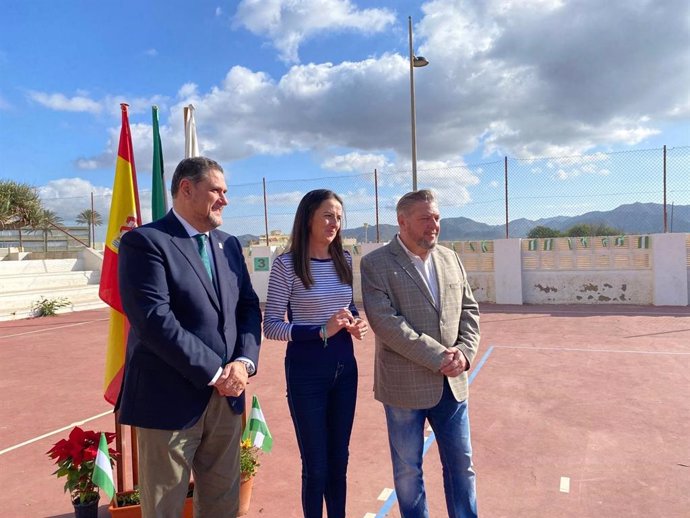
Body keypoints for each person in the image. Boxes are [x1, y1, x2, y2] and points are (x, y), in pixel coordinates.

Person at [116, 156, 262, 518]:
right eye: (217, 190)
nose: (225, 200)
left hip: (227, 399)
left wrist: (243, 364)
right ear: (186, 189)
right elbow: (154, 321)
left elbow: (247, 307)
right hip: (169, 402)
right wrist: (216, 373)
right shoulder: (145, 243)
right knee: (163, 508)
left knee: (222, 505)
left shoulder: (228, 245)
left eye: (226, 191)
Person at [360, 189, 480, 518]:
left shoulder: (450, 258)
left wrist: (465, 353)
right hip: (404, 389)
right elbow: (387, 324)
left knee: (462, 467)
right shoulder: (375, 264)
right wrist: (441, 356)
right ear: (402, 221)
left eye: (437, 217)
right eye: (426, 218)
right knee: (408, 472)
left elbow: (469, 310)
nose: (434, 225)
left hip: (453, 385)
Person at [263, 189, 368, 518]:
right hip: (306, 374)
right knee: (317, 466)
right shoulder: (286, 265)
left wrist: (355, 322)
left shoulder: (345, 259)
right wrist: (320, 331)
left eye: (338, 216)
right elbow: (271, 326)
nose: (334, 222)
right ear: (308, 217)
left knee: (340, 461)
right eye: (327, 215)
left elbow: (346, 306)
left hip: (345, 371)